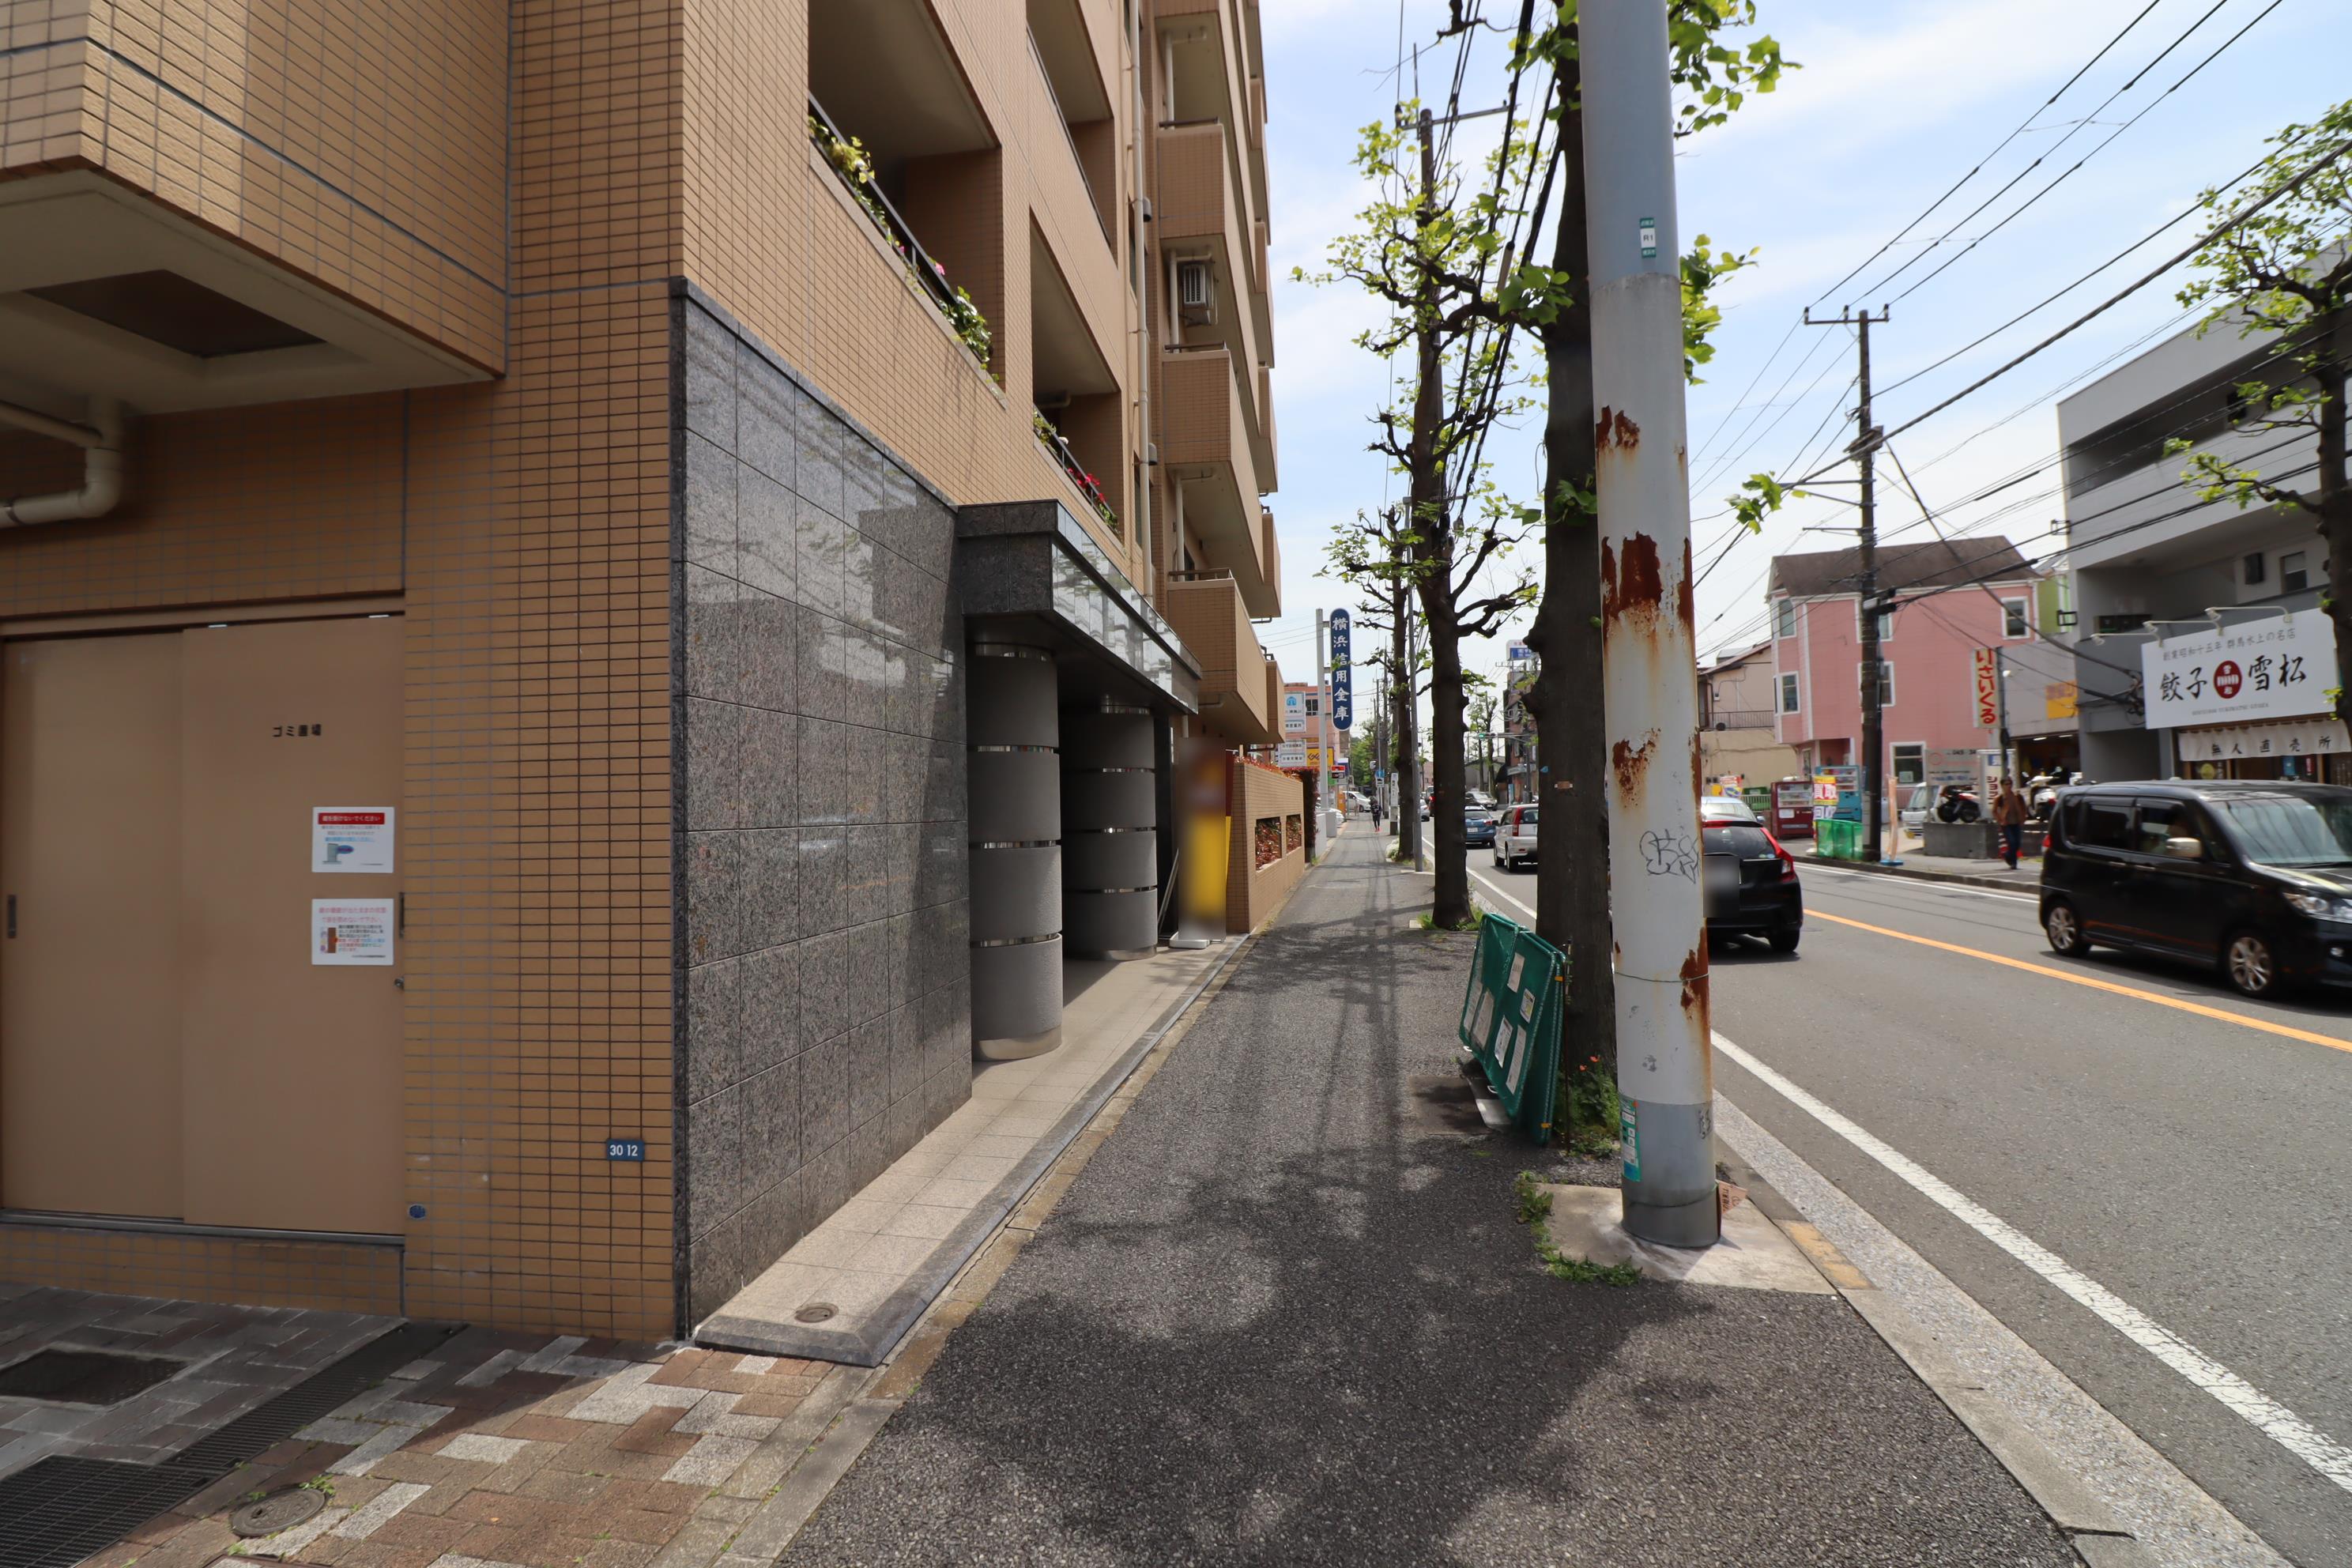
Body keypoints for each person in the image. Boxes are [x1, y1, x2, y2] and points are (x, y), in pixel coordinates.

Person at [1992, 775, 2029, 869]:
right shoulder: (1999, 798)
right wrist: (2000, 820)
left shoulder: (2017, 796)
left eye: (2010, 784)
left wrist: (2023, 817)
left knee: (2017, 843)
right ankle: (2013, 862)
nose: (2009, 786)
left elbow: (2024, 807)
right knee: (2012, 842)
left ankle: (2008, 856)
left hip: (2016, 822)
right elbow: (1994, 811)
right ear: (2002, 786)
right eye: (2006, 784)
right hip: (2006, 824)